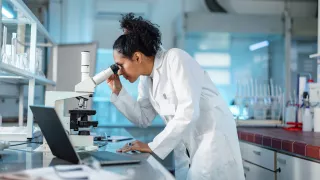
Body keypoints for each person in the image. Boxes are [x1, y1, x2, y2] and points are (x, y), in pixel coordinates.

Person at [107, 13, 245, 180]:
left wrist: (152, 146)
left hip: (212, 142)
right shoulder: (146, 77)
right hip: (189, 146)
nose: (119, 72)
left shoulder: (176, 58)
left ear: (137, 57)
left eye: (121, 65)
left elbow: (188, 112)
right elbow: (143, 118)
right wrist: (118, 91)